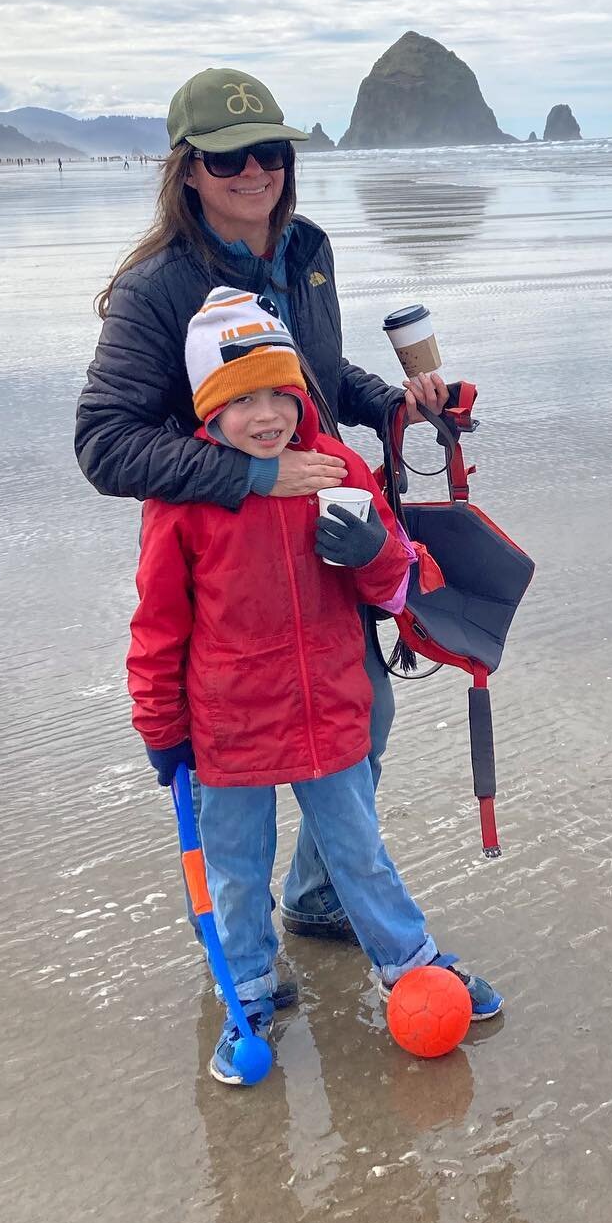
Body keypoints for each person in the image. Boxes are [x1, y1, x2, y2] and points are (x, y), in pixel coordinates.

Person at [76, 66, 456, 942]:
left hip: (327, 540)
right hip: (220, 568)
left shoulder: (307, 248)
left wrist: (400, 405)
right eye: (229, 157)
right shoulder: (156, 290)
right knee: (228, 777)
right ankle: (240, 956)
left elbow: (313, 381)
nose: (256, 171)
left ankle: (320, 894)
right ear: (189, 170)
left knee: (365, 713)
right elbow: (102, 442)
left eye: (272, 151)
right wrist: (253, 477)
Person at [130, 291, 501, 1082]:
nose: (265, 416)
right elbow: (157, 626)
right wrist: (161, 728)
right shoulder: (182, 502)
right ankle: (250, 993)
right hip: (227, 728)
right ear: (208, 407)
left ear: (302, 391)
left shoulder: (338, 467)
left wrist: (373, 549)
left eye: (280, 394)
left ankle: (412, 963)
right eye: (241, 400)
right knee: (234, 871)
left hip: (330, 708)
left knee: (360, 854)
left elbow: (401, 583)